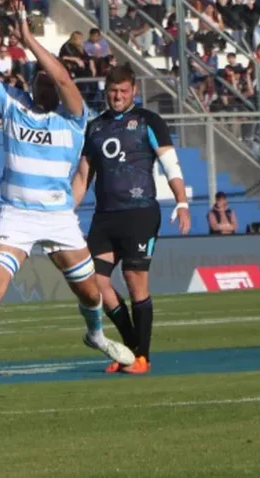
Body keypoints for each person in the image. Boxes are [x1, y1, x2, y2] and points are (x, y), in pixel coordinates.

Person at [0, 0, 135, 391]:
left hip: (58, 217)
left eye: (51, 81)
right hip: (16, 213)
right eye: (40, 81)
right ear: (31, 85)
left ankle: (95, 335)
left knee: (90, 292)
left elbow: (64, 79)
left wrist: (28, 39)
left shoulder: (74, 117)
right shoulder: (15, 105)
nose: (47, 85)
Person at [72, 65, 191, 375]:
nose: (118, 96)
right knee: (95, 283)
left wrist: (181, 201)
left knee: (134, 280)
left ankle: (143, 358)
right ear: (106, 90)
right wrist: (64, 211)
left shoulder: (149, 121)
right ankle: (130, 350)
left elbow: (170, 164)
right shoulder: (95, 127)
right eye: (113, 91)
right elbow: (83, 177)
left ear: (134, 91)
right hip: (105, 216)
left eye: (124, 91)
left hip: (140, 213)